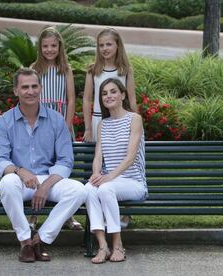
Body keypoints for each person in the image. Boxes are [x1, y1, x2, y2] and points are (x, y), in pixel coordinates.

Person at [0, 68, 87, 263]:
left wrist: (45, 185)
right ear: (15, 91)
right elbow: (0, 160)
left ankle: (40, 238)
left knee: (79, 190)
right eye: (25, 87)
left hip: (48, 178)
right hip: (20, 180)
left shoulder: (56, 120)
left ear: (41, 88)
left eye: (34, 86)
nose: (30, 91)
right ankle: (25, 241)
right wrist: (19, 171)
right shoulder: (4, 122)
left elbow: (65, 160)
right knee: (7, 184)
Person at [85, 78, 147, 264]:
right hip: (110, 181)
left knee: (104, 189)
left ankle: (118, 244)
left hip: (133, 182)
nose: (108, 96)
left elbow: (130, 157)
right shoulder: (103, 124)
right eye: (104, 93)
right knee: (89, 189)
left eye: (113, 91)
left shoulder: (134, 119)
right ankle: (103, 245)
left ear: (123, 95)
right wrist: (97, 174)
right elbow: (98, 157)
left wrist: (108, 177)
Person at [82, 27, 137, 228]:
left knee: (120, 165)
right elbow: (87, 99)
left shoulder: (125, 70)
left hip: (120, 123)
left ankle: (125, 213)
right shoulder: (93, 70)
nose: (105, 48)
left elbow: (131, 99)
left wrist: (135, 124)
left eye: (109, 44)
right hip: (98, 122)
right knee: (97, 166)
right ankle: (96, 215)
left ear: (117, 45)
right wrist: (88, 128)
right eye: (101, 45)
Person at [29, 26, 82, 231]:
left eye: (53, 46)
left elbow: (70, 99)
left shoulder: (65, 69)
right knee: (40, 168)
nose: (49, 50)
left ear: (60, 47)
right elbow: (31, 98)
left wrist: (66, 128)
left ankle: (67, 216)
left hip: (61, 123)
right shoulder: (35, 68)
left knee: (63, 170)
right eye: (45, 46)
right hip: (40, 124)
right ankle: (34, 216)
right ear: (40, 47)